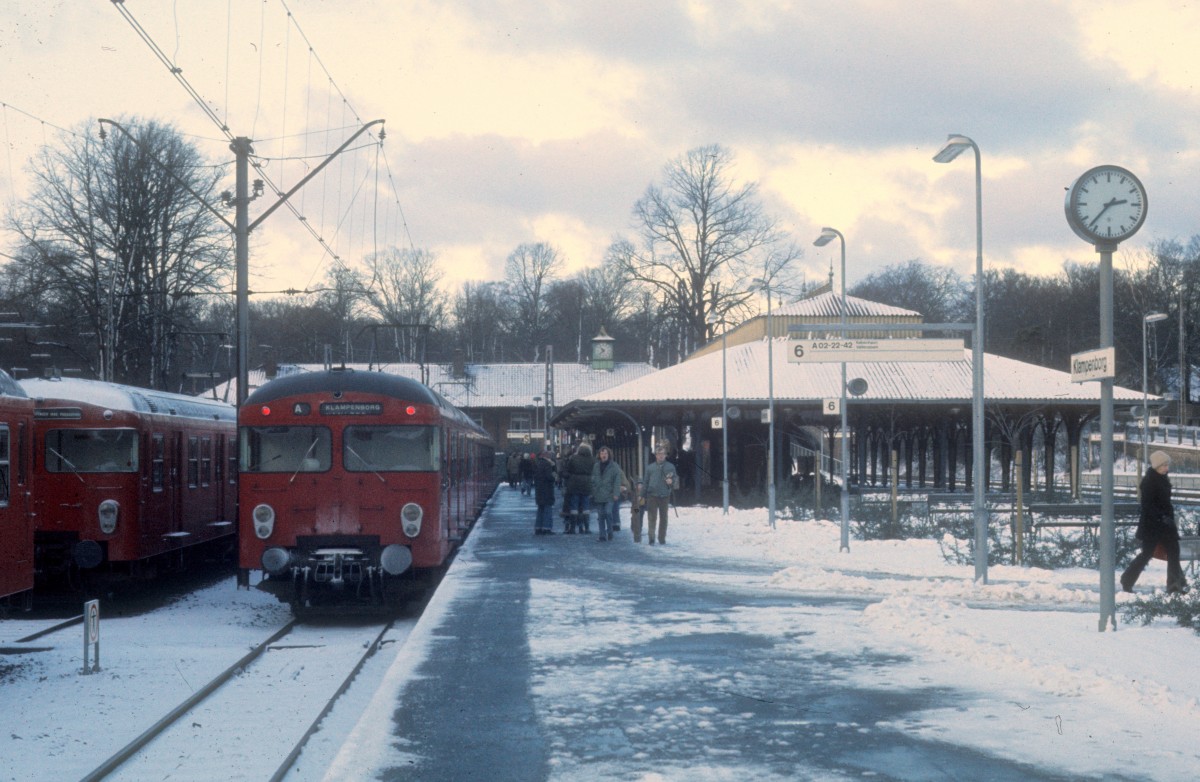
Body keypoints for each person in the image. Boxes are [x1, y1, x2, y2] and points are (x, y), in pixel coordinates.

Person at [1121, 450, 1188, 594]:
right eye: (1164, 465)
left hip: (1166, 525)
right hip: (1152, 525)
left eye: (1167, 465)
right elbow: (1147, 506)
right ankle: (1127, 580)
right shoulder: (1149, 482)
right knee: (1147, 554)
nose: (1167, 468)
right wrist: (1161, 518)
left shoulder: (1162, 479)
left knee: (1173, 552)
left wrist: (1168, 519)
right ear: (1157, 466)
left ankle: (1176, 585)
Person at [641, 446, 677, 545]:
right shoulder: (650, 468)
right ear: (656, 455)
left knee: (664, 518)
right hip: (652, 495)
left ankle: (662, 538)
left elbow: (675, 480)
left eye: (663, 454)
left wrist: (672, 481)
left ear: (666, 455)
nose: (661, 456)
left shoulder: (670, 467)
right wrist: (642, 495)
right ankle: (651, 537)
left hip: (664, 495)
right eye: (659, 454)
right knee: (652, 517)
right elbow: (646, 482)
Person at [590, 446, 625, 541]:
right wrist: (593, 491)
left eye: (605, 453)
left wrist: (616, 493)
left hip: (610, 495)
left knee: (608, 512)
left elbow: (617, 481)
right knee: (600, 515)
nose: (603, 455)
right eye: (602, 453)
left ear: (609, 454)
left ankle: (610, 531)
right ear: (599, 455)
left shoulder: (614, 466)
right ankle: (602, 535)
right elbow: (592, 479)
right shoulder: (596, 466)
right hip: (599, 494)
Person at [562, 443, 594, 534]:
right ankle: (586, 527)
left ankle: (572, 528)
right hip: (587, 485)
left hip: (574, 485)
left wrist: (570, 477)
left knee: (574, 507)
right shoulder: (592, 460)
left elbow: (566, 471)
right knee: (585, 507)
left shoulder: (573, 458)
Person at [533, 447, 558, 535]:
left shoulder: (538, 463)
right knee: (547, 509)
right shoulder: (547, 464)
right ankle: (547, 528)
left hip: (539, 490)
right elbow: (549, 477)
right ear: (543, 455)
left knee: (540, 509)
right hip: (547, 490)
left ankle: (538, 527)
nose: (549, 455)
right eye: (547, 453)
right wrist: (554, 477)